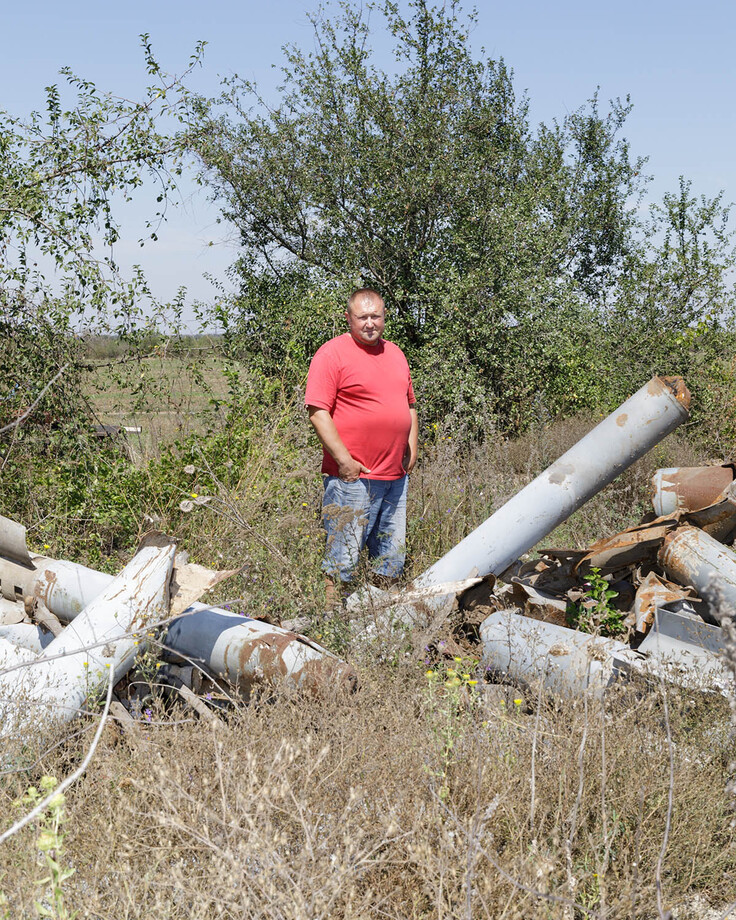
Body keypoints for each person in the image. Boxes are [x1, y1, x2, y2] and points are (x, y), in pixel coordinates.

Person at [305, 288, 418, 607]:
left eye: (376, 316)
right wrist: (345, 462)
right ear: (348, 318)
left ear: (384, 316)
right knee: (343, 555)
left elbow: (409, 405)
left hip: (395, 477)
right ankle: (331, 616)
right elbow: (317, 411)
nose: (370, 323)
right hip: (353, 479)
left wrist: (412, 446)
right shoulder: (332, 354)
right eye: (362, 317)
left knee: (391, 555)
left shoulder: (395, 353)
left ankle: (385, 616)